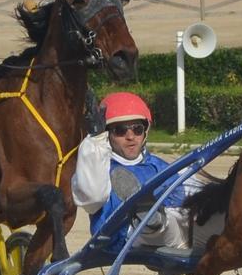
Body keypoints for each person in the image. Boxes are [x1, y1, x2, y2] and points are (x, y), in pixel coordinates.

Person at [72, 92, 194, 251]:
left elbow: (181, 200)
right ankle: (151, 219)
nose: (131, 136)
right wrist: (95, 140)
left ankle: (153, 216)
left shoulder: (158, 166)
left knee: (198, 208)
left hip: (172, 235)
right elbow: (91, 198)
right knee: (161, 226)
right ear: (107, 134)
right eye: (120, 130)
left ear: (145, 131)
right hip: (119, 237)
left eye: (137, 129)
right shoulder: (99, 167)